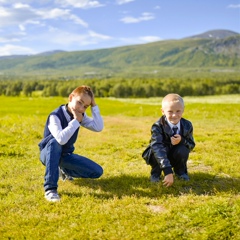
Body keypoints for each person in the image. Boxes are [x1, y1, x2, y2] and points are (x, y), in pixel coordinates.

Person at [38, 85, 104, 202]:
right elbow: (60, 139)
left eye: (86, 106)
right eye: (80, 102)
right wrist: (75, 121)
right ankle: (50, 189)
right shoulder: (55, 116)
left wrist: (94, 105)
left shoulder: (80, 116)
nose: (81, 108)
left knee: (97, 171)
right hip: (48, 155)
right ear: (70, 98)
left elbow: (98, 127)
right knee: (54, 142)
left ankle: (64, 170)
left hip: (65, 156)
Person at [142, 93, 195, 187]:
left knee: (183, 149)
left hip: (175, 154)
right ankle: (155, 173)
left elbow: (191, 145)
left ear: (183, 110)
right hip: (160, 155)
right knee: (157, 150)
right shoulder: (157, 126)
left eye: (178, 111)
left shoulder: (187, 125)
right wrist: (167, 171)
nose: (174, 115)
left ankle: (180, 172)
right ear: (163, 111)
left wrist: (182, 141)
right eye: (170, 111)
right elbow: (157, 147)